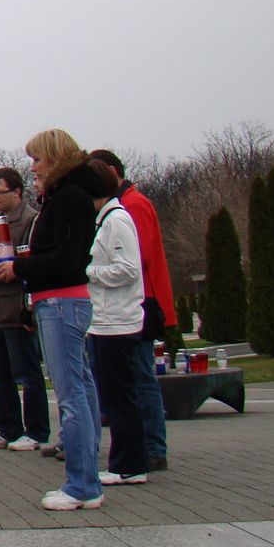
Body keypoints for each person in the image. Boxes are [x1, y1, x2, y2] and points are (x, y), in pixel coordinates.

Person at [0, 129, 103, 510]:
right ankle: (86, 479)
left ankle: (81, 484)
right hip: (56, 300)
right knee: (81, 389)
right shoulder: (64, 196)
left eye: (37, 159)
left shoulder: (70, 197)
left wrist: (19, 267)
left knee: (72, 396)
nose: (33, 167)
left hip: (62, 302)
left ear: (55, 159)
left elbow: (67, 258)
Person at [89, 148, 174, 471]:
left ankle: (151, 446)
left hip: (137, 304)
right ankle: (140, 448)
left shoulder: (130, 206)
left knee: (139, 379)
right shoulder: (119, 209)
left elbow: (138, 259)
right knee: (128, 382)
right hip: (126, 304)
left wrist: (89, 271)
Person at [0, 167, 49, 452]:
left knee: (26, 373)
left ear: (16, 192)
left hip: (15, 309)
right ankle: (8, 428)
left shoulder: (30, 220)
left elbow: (24, 262)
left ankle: (36, 431)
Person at [85, 158, 149, 487]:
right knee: (112, 397)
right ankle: (124, 462)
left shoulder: (117, 220)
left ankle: (130, 464)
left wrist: (89, 272)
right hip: (103, 321)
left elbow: (128, 269)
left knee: (121, 396)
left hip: (118, 322)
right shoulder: (103, 221)